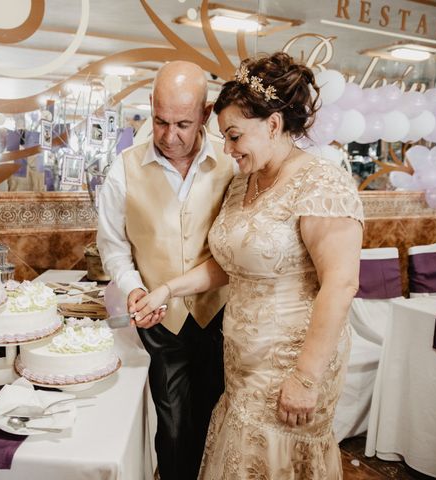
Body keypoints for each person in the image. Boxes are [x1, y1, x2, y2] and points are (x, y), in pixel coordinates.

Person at [133, 52, 364, 478]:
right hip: (242, 363)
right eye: (224, 137)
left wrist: (306, 378)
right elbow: (232, 265)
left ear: (273, 125)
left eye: (235, 136)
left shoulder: (322, 184)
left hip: (292, 364)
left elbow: (341, 284)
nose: (228, 149)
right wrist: (169, 289)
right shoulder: (244, 182)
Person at [96, 61, 235, 480]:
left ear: (205, 116)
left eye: (182, 124)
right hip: (159, 318)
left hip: (220, 316)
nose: (169, 136)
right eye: (160, 121)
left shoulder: (233, 165)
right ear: (150, 108)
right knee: (172, 426)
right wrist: (134, 288)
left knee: (215, 418)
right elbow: (114, 247)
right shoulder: (123, 169)